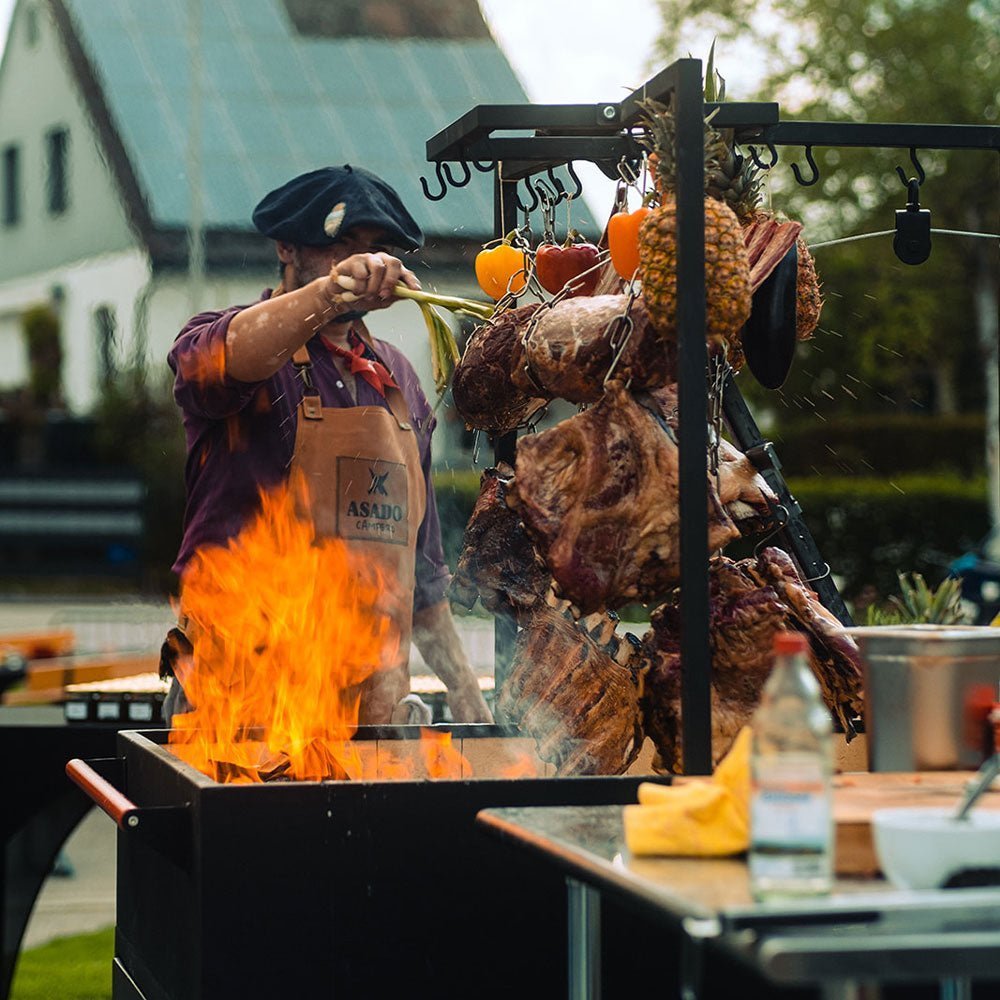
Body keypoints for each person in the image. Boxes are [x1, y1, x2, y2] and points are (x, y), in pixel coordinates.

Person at [162, 164, 492, 726]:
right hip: (245, 705)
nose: (363, 263)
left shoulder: (400, 380)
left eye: (377, 248)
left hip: (372, 713)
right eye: (343, 245)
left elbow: (424, 580)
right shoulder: (229, 341)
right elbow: (219, 362)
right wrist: (330, 293)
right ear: (286, 246)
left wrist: (468, 698)